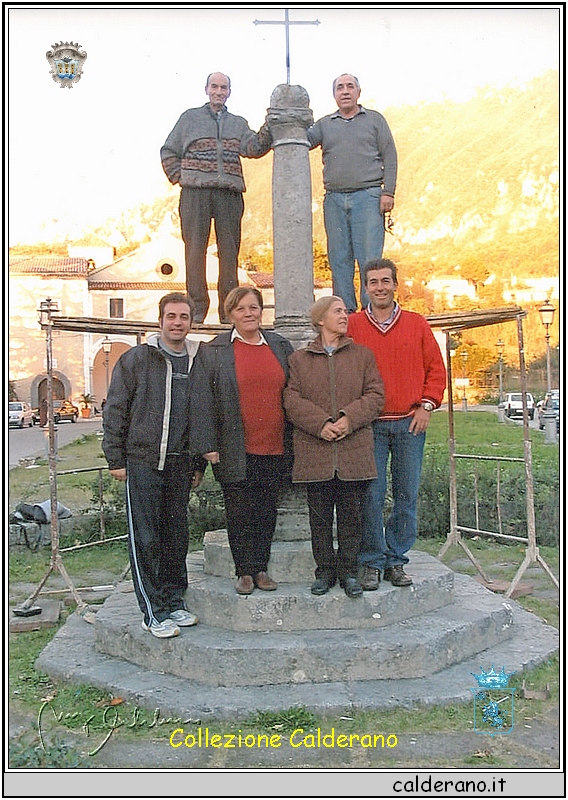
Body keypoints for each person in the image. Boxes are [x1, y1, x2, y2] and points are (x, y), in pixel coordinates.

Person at [102, 292, 206, 639]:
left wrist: (198, 464)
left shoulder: (196, 360)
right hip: (143, 462)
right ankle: (152, 611)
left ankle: (174, 601)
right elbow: (115, 409)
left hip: (180, 464)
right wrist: (116, 458)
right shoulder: (136, 360)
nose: (177, 322)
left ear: (192, 322)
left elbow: (198, 417)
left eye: (184, 317)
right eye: (171, 316)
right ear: (160, 321)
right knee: (145, 539)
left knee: (176, 538)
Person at [347, 259, 446, 589]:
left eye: (385, 281)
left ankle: (396, 559)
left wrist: (427, 405)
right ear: (365, 287)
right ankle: (372, 561)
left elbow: (436, 370)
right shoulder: (353, 325)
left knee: (406, 494)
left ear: (395, 284)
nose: (379, 287)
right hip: (369, 426)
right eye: (372, 281)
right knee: (370, 496)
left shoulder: (417, 324)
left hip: (409, 424)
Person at [192, 286, 293, 595]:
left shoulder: (280, 346)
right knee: (238, 511)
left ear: (262, 311)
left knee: (266, 510)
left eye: (254, 307)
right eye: (241, 309)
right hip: (234, 447)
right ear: (230, 315)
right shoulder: (214, 351)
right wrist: (207, 444)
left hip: (275, 444)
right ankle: (244, 571)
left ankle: (261, 569)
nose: (249, 314)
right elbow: (201, 400)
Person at [283, 296, 385, 598]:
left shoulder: (363, 356)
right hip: (316, 453)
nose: (345, 316)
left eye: (345, 311)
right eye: (337, 311)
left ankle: (349, 573)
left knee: (352, 517)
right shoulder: (299, 360)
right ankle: (324, 572)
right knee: (320, 518)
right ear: (320, 319)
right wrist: (322, 424)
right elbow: (292, 400)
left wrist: (347, 419)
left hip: (353, 451)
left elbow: (375, 395)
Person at [160, 72, 272, 324]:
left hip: (228, 193)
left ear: (229, 92)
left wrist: (270, 126)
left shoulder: (238, 123)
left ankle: (228, 309)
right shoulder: (189, 119)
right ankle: (197, 308)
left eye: (224, 88)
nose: (219, 91)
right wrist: (181, 177)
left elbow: (253, 148)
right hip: (195, 193)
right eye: (215, 87)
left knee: (230, 252)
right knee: (194, 250)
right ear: (206, 89)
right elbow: (168, 150)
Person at [307, 73, 398, 314]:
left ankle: (372, 312)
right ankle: (344, 312)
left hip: (368, 196)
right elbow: (302, 141)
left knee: (369, 260)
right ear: (334, 95)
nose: (345, 91)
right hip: (334, 198)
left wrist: (387, 192)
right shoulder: (325, 125)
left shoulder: (375, 120)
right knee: (339, 259)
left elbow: (390, 156)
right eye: (339, 88)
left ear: (359, 92)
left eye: (350, 87)